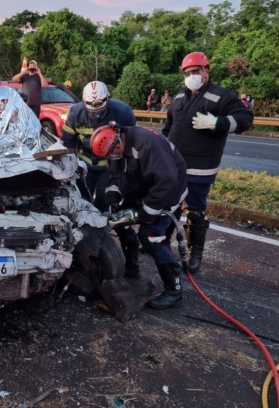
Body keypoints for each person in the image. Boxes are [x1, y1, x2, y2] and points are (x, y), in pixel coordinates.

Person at [163, 52, 253, 274]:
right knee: (168, 206)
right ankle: (161, 243)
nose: (191, 76)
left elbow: (245, 119)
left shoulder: (221, 96)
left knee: (194, 211)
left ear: (206, 71)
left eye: (195, 72)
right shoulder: (178, 97)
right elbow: (168, 127)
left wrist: (218, 123)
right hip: (174, 163)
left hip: (201, 166)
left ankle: (195, 255)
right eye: (187, 73)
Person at [91, 122, 188, 309]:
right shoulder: (115, 147)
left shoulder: (147, 144)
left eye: (112, 153)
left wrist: (146, 213)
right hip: (141, 189)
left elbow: (166, 182)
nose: (112, 157)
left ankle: (174, 291)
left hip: (167, 194)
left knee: (151, 236)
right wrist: (113, 196)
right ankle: (132, 269)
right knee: (119, 222)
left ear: (117, 141)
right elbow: (115, 175)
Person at [61, 81, 136, 211]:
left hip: (110, 166)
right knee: (82, 198)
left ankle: (100, 224)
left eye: (100, 112)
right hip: (84, 164)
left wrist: (123, 167)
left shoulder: (123, 112)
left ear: (107, 100)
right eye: (91, 112)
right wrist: (72, 165)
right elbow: (68, 142)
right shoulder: (75, 113)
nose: (96, 116)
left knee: (103, 199)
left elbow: (131, 141)